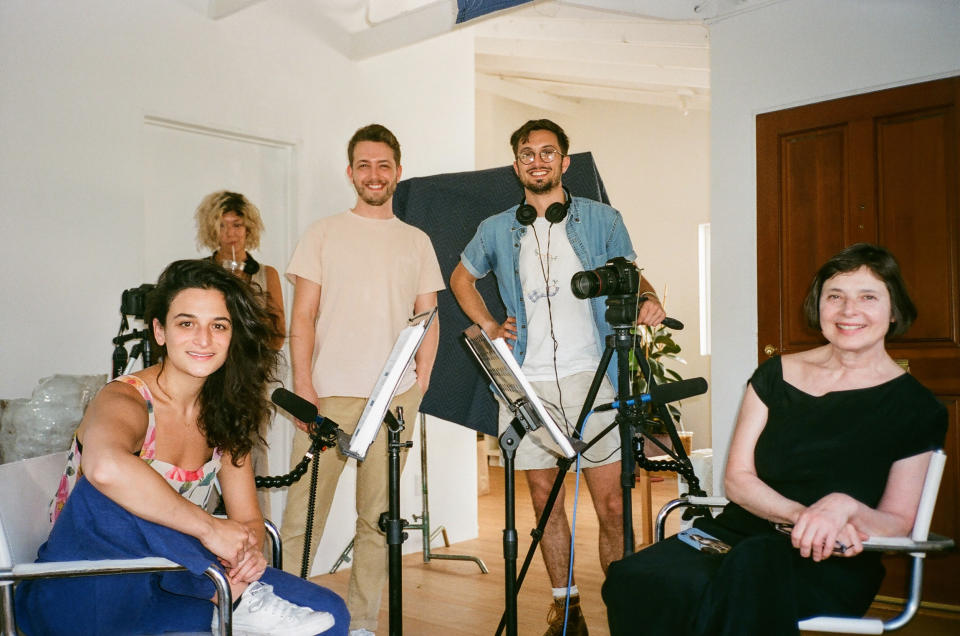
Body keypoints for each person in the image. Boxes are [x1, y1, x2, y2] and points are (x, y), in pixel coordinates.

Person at [602, 243, 948, 636]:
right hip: (738, 533)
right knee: (634, 577)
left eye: (868, 297)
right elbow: (738, 479)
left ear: (894, 309)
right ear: (819, 306)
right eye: (835, 296)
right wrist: (801, 515)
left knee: (747, 574)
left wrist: (842, 507)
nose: (849, 311)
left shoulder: (917, 408)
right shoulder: (774, 375)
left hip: (833, 555)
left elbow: (898, 522)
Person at [16, 259, 348, 635]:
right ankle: (234, 598)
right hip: (80, 592)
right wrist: (209, 529)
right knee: (117, 489)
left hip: (167, 586)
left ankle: (237, 598)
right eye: (186, 323)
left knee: (330, 614)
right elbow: (106, 467)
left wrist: (248, 554)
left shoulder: (226, 414)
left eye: (218, 326)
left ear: (232, 335)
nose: (203, 339)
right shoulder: (124, 400)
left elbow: (249, 521)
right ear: (160, 331)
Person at [450, 118, 666, 636]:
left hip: (593, 378)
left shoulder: (601, 218)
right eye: (528, 153)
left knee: (612, 503)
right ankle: (566, 609)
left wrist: (651, 298)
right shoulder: (496, 227)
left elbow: (630, 271)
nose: (538, 160)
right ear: (517, 165)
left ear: (565, 162)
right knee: (545, 505)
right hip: (527, 382)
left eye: (548, 152)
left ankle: (623, 608)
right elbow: (461, 277)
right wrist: (486, 323)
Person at [280, 124, 443, 636]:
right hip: (327, 396)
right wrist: (303, 386)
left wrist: (421, 381)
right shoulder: (323, 233)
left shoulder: (415, 241)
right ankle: (285, 613)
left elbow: (428, 317)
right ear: (351, 172)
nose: (375, 174)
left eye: (384, 165)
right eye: (364, 165)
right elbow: (302, 316)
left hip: (393, 401)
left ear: (398, 171)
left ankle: (363, 624)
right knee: (302, 516)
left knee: (378, 521)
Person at [195, 189, 286, 516]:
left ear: (249, 229)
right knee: (200, 460)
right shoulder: (200, 273)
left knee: (251, 462)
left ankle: (258, 550)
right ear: (212, 230)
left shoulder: (267, 274)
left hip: (249, 381)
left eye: (238, 225)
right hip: (204, 381)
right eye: (223, 226)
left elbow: (277, 338)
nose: (231, 233)